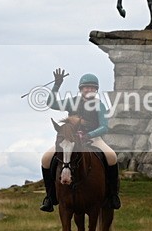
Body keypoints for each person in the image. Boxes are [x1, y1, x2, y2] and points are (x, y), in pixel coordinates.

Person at [39, 69, 121, 212]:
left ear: (96, 90)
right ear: (81, 89)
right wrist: (57, 85)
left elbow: (104, 127)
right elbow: (51, 103)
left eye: (92, 88)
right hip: (70, 139)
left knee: (111, 157)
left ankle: (113, 195)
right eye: (86, 87)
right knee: (46, 159)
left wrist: (88, 135)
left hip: (92, 138)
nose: (88, 90)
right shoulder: (72, 102)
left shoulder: (99, 105)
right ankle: (50, 197)